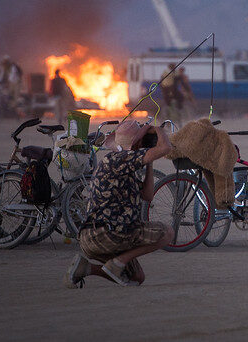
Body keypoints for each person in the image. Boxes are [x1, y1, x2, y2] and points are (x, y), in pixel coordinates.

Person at [65, 117, 173, 287]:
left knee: (137, 277)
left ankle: (87, 268)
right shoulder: (119, 159)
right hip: (105, 233)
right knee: (167, 232)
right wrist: (156, 130)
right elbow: (166, 147)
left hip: (97, 237)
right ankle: (117, 263)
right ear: (136, 145)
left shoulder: (121, 164)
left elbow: (148, 195)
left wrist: (149, 161)